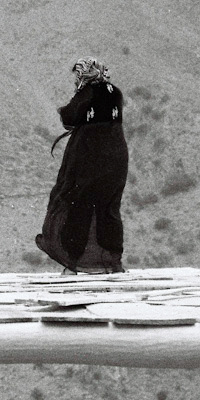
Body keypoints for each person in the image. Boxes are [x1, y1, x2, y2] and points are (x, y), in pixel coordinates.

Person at [35, 58, 128, 274]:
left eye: (80, 74)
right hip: (116, 160)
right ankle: (110, 262)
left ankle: (74, 262)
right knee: (108, 208)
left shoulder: (87, 92)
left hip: (88, 159)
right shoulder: (115, 92)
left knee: (77, 205)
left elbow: (69, 116)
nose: (77, 78)